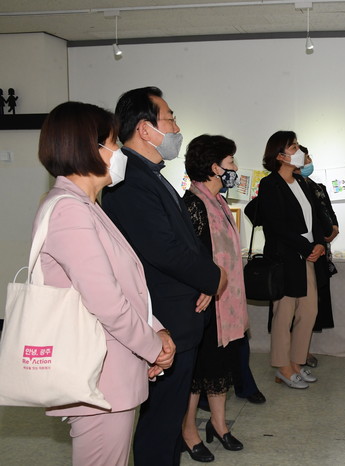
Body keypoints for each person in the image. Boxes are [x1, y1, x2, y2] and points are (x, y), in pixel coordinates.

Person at [35, 101, 176, 465]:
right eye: (114, 143)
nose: (120, 152)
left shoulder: (87, 205)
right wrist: (153, 347)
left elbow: (126, 286)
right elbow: (107, 302)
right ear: (89, 148)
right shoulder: (69, 210)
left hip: (112, 369)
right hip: (100, 377)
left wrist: (157, 331)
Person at [102, 87, 225, 466]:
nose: (176, 128)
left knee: (170, 421)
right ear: (145, 128)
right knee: (160, 423)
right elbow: (163, 250)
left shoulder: (150, 175)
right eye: (170, 118)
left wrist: (203, 281)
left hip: (180, 314)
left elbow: (185, 243)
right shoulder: (129, 180)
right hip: (163, 321)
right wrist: (213, 278)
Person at [181, 134, 264, 462]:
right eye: (231, 162)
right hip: (203, 302)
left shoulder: (218, 202)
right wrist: (203, 286)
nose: (235, 168)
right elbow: (188, 257)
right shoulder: (193, 204)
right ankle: (188, 430)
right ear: (215, 167)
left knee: (218, 367)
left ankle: (219, 424)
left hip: (224, 301)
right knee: (197, 373)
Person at [245, 130, 326, 389]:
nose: (299, 151)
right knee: (284, 313)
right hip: (285, 257)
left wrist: (320, 243)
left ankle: (297, 362)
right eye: (294, 147)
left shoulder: (301, 181)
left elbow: (315, 219)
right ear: (280, 155)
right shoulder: (270, 184)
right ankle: (282, 367)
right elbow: (277, 226)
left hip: (307, 255)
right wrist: (308, 246)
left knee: (309, 310)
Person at [297, 147, 339, 367]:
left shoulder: (318, 188)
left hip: (320, 254)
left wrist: (331, 232)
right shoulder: (284, 187)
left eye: (309, 157)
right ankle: (294, 355)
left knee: (314, 306)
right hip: (298, 255)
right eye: (305, 157)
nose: (309, 161)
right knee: (295, 308)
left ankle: (304, 351)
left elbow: (330, 217)